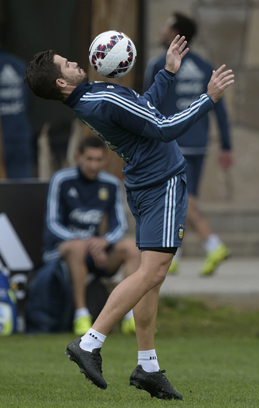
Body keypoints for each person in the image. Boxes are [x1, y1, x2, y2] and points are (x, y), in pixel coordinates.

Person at [24, 35, 234, 400]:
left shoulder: (93, 97)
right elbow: (163, 128)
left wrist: (167, 74)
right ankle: (90, 342)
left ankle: (148, 366)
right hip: (162, 183)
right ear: (61, 82)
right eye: (66, 64)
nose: (75, 63)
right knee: (151, 272)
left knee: (152, 278)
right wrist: (208, 98)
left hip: (145, 184)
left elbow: (144, 111)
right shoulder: (101, 97)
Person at [143, 12, 232, 276]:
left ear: (175, 34)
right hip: (199, 144)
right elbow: (221, 108)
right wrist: (226, 145)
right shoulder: (205, 66)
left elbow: (148, 106)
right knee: (183, 198)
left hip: (172, 143)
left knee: (183, 198)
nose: (161, 30)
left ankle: (213, 244)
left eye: (165, 26)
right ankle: (175, 257)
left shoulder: (159, 64)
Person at [42, 135, 140, 336]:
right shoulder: (62, 179)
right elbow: (52, 223)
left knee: (132, 247)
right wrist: (87, 243)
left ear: (105, 160)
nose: (94, 165)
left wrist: (104, 241)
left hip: (97, 251)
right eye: (89, 159)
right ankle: (81, 315)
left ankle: (131, 315)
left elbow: (120, 224)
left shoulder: (111, 183)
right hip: (63, 251)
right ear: (78, 156)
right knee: (77, 247)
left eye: (98, 160)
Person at [0, 19, 33, 178]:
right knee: (19, 192)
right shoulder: (19, 66)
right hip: (19, 136)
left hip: (12, 137)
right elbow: (28, 104)